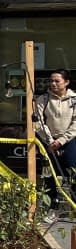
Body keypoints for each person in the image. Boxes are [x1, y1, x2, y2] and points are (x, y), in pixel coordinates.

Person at [33, 70, 76, 206]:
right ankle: (51, 206)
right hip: (49, 141)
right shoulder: (43, 99)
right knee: (49, 174)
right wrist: (50, 140)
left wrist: (62, 140)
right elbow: (38, 121)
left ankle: (74, 205)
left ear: (66, 82)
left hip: (69, 141)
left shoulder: (74, 99)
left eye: (57, 81)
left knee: (73, 172)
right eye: (51, 81)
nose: (53, 84)